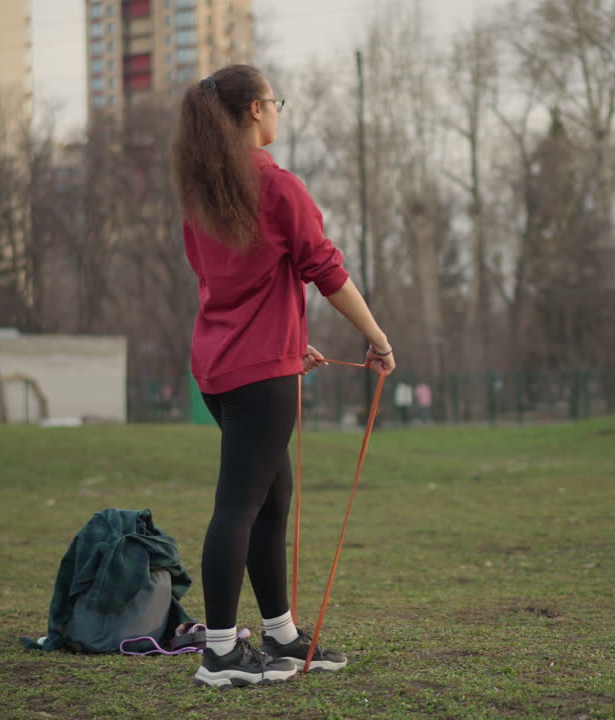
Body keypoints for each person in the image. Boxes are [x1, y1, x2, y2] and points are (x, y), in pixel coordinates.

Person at [172, 64, 396, 689]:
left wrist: (292, 343)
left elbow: (240, 286)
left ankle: (282, 635)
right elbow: (326, 270)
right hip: (256, 376)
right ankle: (219, 653)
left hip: (221, 368)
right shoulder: (274, 185)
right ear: (252, 113)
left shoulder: (203, 192)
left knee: (271, 497)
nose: (279, 110)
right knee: (240, 504)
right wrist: (376, 340)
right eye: (275, 101)